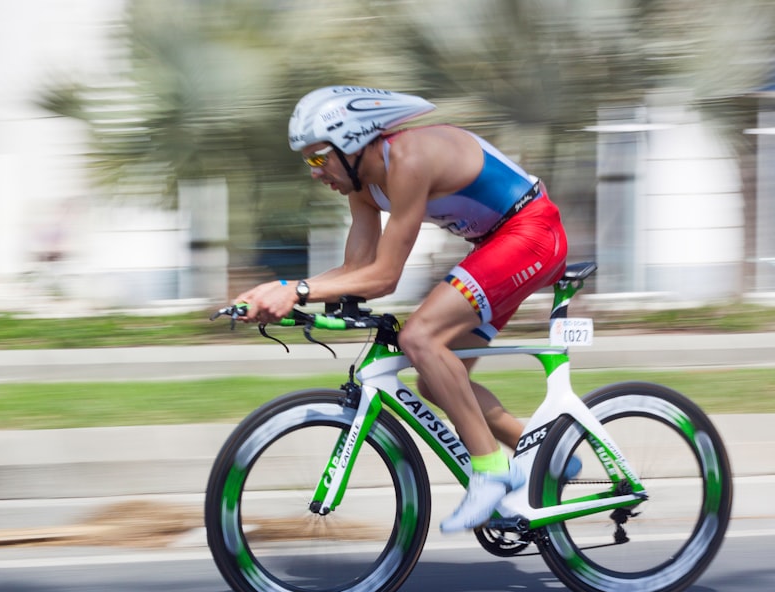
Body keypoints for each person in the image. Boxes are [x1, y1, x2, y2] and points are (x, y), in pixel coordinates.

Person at [235, 86, 568, 533]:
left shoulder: (409, 160)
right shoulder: (363, 186)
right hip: (498, 246)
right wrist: (274, 292)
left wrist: (294, 290)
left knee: (418, 338)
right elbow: (358, 269)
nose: (315, 174)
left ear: (351, 143)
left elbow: (384, 277)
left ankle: (492, 470)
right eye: (308, 163)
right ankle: (550, 455)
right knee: (436, 381)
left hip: (533, 233)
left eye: (318, 159)